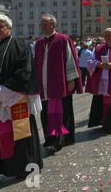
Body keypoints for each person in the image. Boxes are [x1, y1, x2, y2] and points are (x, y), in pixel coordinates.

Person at [0, 14, 43, 191]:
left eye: (1, 26)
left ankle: (21, 169)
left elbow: (24, 74)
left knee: (18, 137)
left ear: (9, 28)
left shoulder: (20, 47)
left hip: (12, 100)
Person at [34, 14, 83, 153]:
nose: (42, 27)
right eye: (41, 24)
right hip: (44, 86)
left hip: (61, 83)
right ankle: (50, 139)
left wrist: (71, 79)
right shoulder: (39, 43)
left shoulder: (63, 39)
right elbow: (35, 64)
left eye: (45, 24)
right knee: (46, 114)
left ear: (53, 25)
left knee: (62, 112)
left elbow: (70, 60)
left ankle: (61, 140)